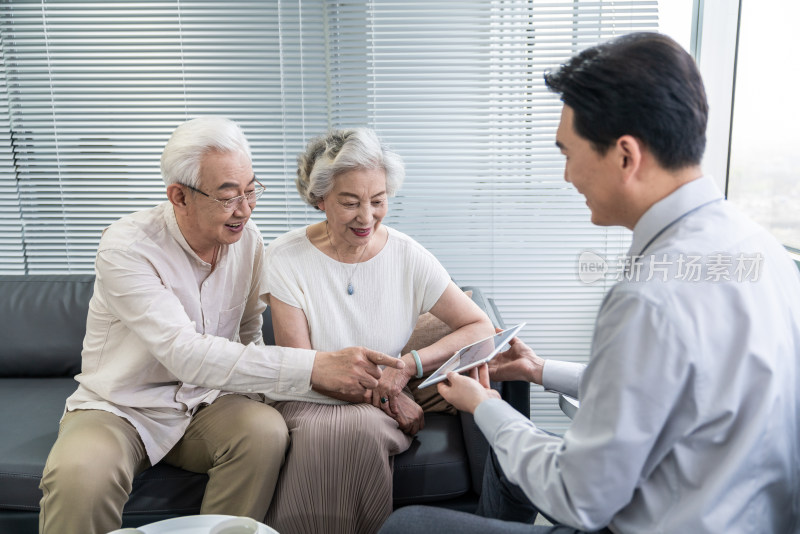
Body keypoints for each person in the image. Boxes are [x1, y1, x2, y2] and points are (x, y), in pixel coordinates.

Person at [379, 32, 800, 534]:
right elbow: (669, 386)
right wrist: (538, 370)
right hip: (734, 505)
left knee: (408, 527)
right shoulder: (761, 250)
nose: (566, 176)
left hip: (648, 518)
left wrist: (487, 407)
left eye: (568, 152)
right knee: (514, 466)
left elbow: (579, 497)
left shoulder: (650, 297)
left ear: (625, 155)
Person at [38, 117, 404, 534]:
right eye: (230, 196)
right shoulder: (127, 248)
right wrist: (314, 366)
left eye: (251, 191)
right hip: (122, 407)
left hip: (206, 402)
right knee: (79, 474)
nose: (245, 210)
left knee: (264, 431)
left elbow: (248, 332)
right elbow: (185, 353)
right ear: (179, 196)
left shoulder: (248, 242)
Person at [261, 127, 495, 534]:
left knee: (363, 429)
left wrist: (408, 365)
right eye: (350, 202)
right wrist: (389, 398)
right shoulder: (284, 258)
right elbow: (302, 366)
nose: (366, 217)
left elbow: (480, 327)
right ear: (320, 199)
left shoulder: (407, 255)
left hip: (378, 402)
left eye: (378, 201)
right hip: (309, 398)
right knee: (342, 431)